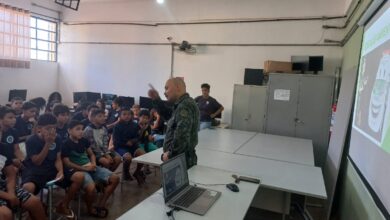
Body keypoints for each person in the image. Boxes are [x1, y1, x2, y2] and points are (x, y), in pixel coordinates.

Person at [21, 113, 84, 219]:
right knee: (27, 187)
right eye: (48, 128)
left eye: (54, 128)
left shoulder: (57, 138)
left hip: (52, 168)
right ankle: (35, 210)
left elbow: (58, 158)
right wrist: (47, 144)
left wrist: (60, 171)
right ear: (39, 128)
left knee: (79, 177)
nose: (51, 131)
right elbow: (37, 162)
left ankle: (63, 205)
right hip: (35, 170)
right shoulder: (31, 140)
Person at [62, 120, 119, 218]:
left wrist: (93, 163)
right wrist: (85, 169)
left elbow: (91, 154)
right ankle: (90, 209)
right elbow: (67, 163)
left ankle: (100, 205)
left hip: (90, 167)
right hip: (79, 170)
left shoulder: (84, 140)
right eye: (77, 129)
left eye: (82, 129)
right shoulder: (65, 144)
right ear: (69, 131)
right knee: (91, 188)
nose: (81, 131)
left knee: (115, 178)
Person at [148, 77, 199, 168]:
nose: (164, 92)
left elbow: (182, 134)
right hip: (180, 159)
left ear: (178, 87)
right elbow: (168, 115)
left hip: (179, 161)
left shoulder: (185, 106)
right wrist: (156, 99)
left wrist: (171, 154)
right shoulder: (182, 104)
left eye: (167, 88)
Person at [112, 109, 145, 183]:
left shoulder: (135, 125)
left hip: (132, 145)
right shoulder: (117, 126)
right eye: (124, 114)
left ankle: (137, 172)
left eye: (129, 114)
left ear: (131, 115)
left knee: (143, 155)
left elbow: (138, 137)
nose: (127, 116)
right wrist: (125, 143)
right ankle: (126, 172)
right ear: (120, 116)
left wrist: (132, 141)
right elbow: (115, 141)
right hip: (120, 147)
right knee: (128, 158)